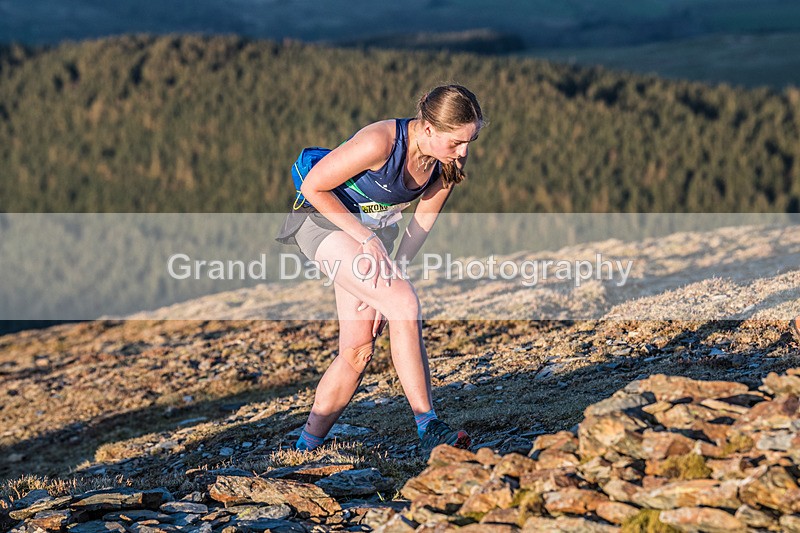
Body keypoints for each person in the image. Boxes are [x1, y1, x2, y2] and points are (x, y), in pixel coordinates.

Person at [276, 84, 484, 453]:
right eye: (456, 142)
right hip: (324, 224)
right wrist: (367, 241)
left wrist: (396, 270)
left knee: (358, 351)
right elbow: (313, 187)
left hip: (373, 237)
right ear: (429, 128)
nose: (464, 151)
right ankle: (428, 425)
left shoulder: (448, 159)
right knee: (405, 304)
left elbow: (424, 217)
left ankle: (303, 448)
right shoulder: (380, 142)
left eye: (470, 140)